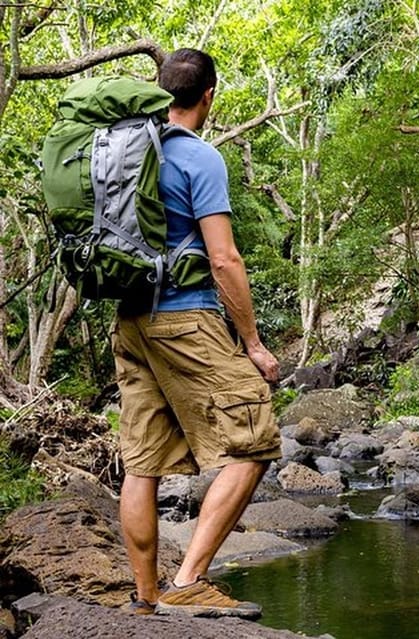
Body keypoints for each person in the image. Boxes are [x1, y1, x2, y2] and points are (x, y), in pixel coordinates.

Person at [112, 48, 281, 619]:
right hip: (185, 318)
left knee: (142, 462)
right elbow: (225, 260)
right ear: (208, 95)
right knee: (255, 438)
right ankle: (189, 578)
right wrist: (253, 344)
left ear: (160, 92)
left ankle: (146, 598)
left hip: (131, 321)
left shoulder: (126, 152)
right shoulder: (198, 157)